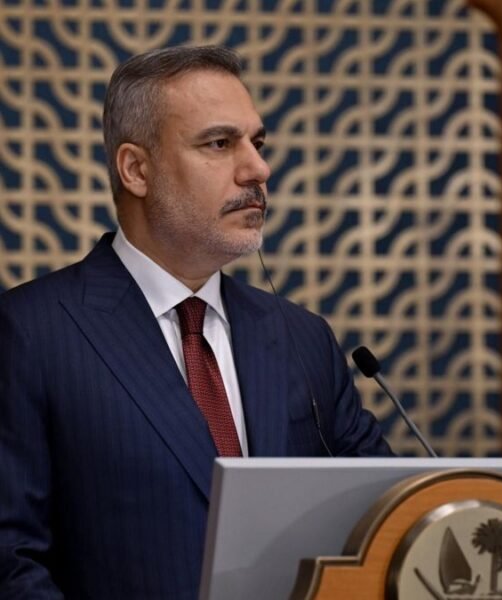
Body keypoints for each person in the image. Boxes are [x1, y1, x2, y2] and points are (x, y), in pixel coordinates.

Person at [0, 45, 392, 599]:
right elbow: (11, 562)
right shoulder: (28, 333)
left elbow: (383, 521)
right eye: (219, 143)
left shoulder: (303, 338)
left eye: (257, 143)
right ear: (136, 170)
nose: (258, 169)